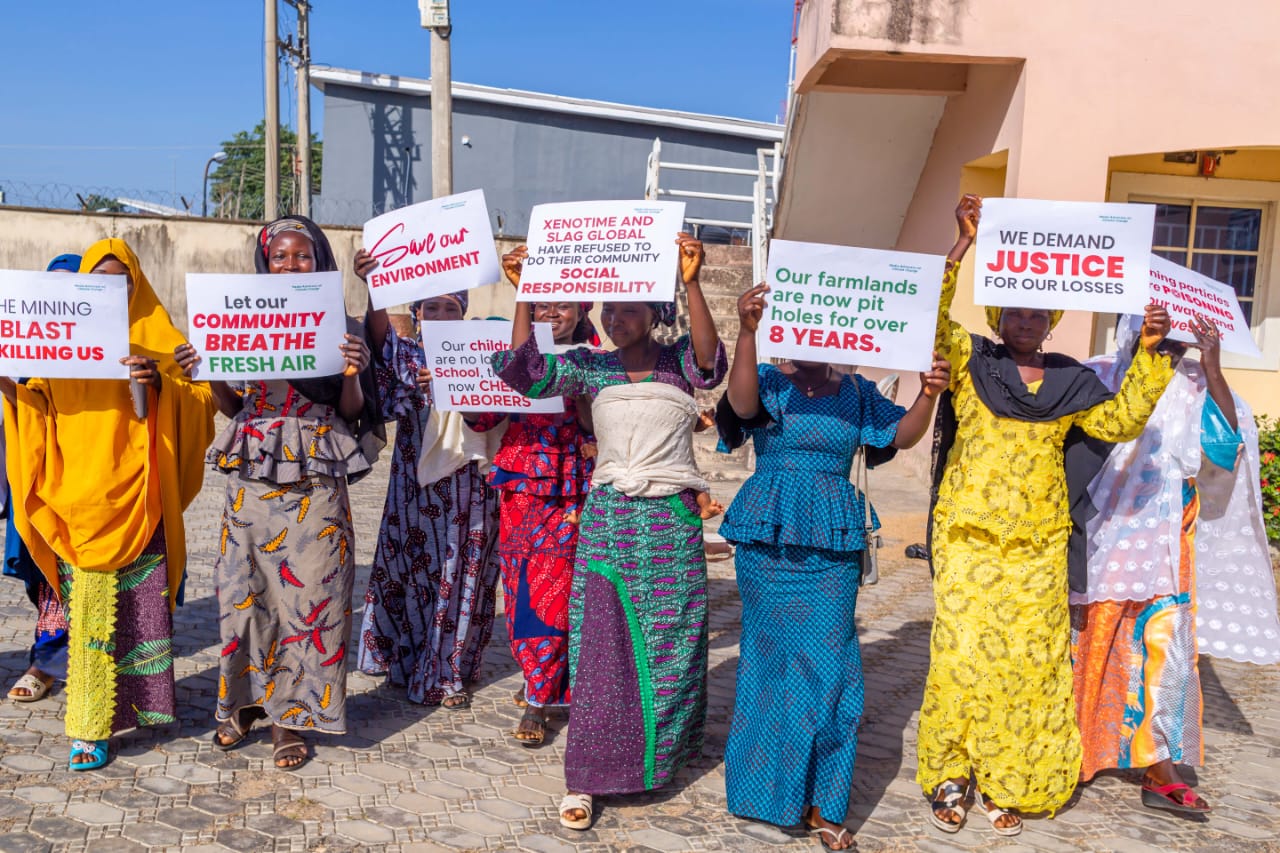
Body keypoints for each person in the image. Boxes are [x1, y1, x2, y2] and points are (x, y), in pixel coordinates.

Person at [915, 195, 1175, 834]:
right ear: (1000, 311)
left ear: (1052, 317)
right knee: (960, 655)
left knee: (1029, 663)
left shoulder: (1073, 381)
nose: (1026, 320)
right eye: (1015, 309)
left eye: (1038, 311)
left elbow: (1119, 421)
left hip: (1036, 545)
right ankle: (950, 773)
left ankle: (1012, 781)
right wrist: (962, 244)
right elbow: (930, 314)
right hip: (968, 537)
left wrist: (1149, 354)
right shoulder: (975, 362)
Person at [492, 234, 726, 830]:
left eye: (629, 308)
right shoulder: (590, 365)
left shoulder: (677, 364)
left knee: (672, 640)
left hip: (671, 522)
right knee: (600, 643)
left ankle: (657, 758)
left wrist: (692, 281)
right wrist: (525, 292)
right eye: (609, 309)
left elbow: (711, 362)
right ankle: (588, 776)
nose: (616, 318)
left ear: (655, 312)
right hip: (610, 519)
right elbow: (523, 373)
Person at [715, 283, 950, 850]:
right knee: (769, 659)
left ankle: (824, 799)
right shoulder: (769, 380)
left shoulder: (858, 391)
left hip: (832, 539)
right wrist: (747, 331)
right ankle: (766, 794)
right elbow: (741, 407)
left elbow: (898, 435)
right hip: (768, 536)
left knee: (833, 664)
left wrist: (930, 394)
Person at [2, 239, 215, 769]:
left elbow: (202, 402)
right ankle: (89, 727)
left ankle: (147, 708)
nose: (113, 288)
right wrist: (6, 382)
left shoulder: (160, 339)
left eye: (123, 278)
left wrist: (162, 384)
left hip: (141, 501)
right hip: (79, 498)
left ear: (136, 283)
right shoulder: (60, 340)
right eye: (102, 277)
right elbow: (35, 405)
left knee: (142, 615)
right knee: (92, 622)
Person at [185, 216, 381, 770]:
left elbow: (352, 412)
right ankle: (242, 707)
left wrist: (351, 373)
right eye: (280, 257)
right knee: (244, 594)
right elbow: (232, 406)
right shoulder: (237, 318)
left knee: (310, 600)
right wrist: (207, 370)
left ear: (319, 262)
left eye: (303, 256)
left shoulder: (342, 325)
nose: (291, 265)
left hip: (316, 472)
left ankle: (291, 722)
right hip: (253, 471)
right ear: (264, 263)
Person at [1071, 313, 1280, 814]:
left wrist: (1212, 365)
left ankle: (1160, 768)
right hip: (1099, 537)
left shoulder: (1195, 385)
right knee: (1088, 645)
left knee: (1168, 652)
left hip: (1166, 542)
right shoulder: (1099, 373)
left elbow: (1224, 449)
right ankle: (1072, 755)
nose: (1166, 333)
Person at [459, 245, 598, 745]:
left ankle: (541, 700)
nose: (550, 311)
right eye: (541, 303)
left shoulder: (597, 357)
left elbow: (597, 423)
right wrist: (466, 393)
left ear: (583, 307)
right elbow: (484, 420)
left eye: (563, 302)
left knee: (558, 594)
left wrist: (584, 396)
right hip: (521, 483)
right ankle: (538, 677)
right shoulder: (514, 354)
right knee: (521, 591)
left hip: (575, 485)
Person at [354, 250, 502, 710]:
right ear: (416, 315)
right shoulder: (408, 356)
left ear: (464, 312)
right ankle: (404, 662)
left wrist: (457, 379)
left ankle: (448, 671)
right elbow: (378, 345)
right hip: (413, 489)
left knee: (461, 574)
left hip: (470, 492)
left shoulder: (485, 353)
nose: (440, 315)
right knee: (414, 571)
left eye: (450, 307)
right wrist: (374, 286)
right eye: (430, 307)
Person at [3, 254, 79, 703]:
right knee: (46, 571)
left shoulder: (116, 344)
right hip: (42, 472)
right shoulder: (33, 340)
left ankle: (68, 661)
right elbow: (27, 402)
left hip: (98, 477)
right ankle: (48, 660)